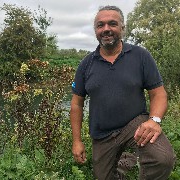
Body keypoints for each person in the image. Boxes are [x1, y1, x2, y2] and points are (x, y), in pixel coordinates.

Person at [70, 5, 176, 180]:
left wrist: (154, 120)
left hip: (135, 124)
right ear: (95, 30)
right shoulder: (86, 64)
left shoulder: (140, 56)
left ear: (122, 28)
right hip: (102, 133)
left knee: (162, 159)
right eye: (100, 25)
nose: (106, 29)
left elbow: (158, 93)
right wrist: (77, 141)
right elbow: (76, 104)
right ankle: (125, 162)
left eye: (112, 24)